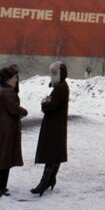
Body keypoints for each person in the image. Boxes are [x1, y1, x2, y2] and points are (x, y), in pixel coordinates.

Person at [0, 66, 28, 197]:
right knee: (3, 156)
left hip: (2, 126)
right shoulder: (7, 92)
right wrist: (23, 111)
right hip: (6, 128)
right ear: (9, 78)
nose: (17, 79)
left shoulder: (2, 89)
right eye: (15, 77)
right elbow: (13, 110)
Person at [31, 62, 69, 196]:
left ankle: (44, 182)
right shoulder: (61, 86)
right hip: (57, 124)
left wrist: (44, 102)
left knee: (51, 153)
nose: (51, 76)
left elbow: (50, 105)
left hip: (54, 125)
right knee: (56, 153)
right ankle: (51, 179)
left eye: (53, 74)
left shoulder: (60, 88)